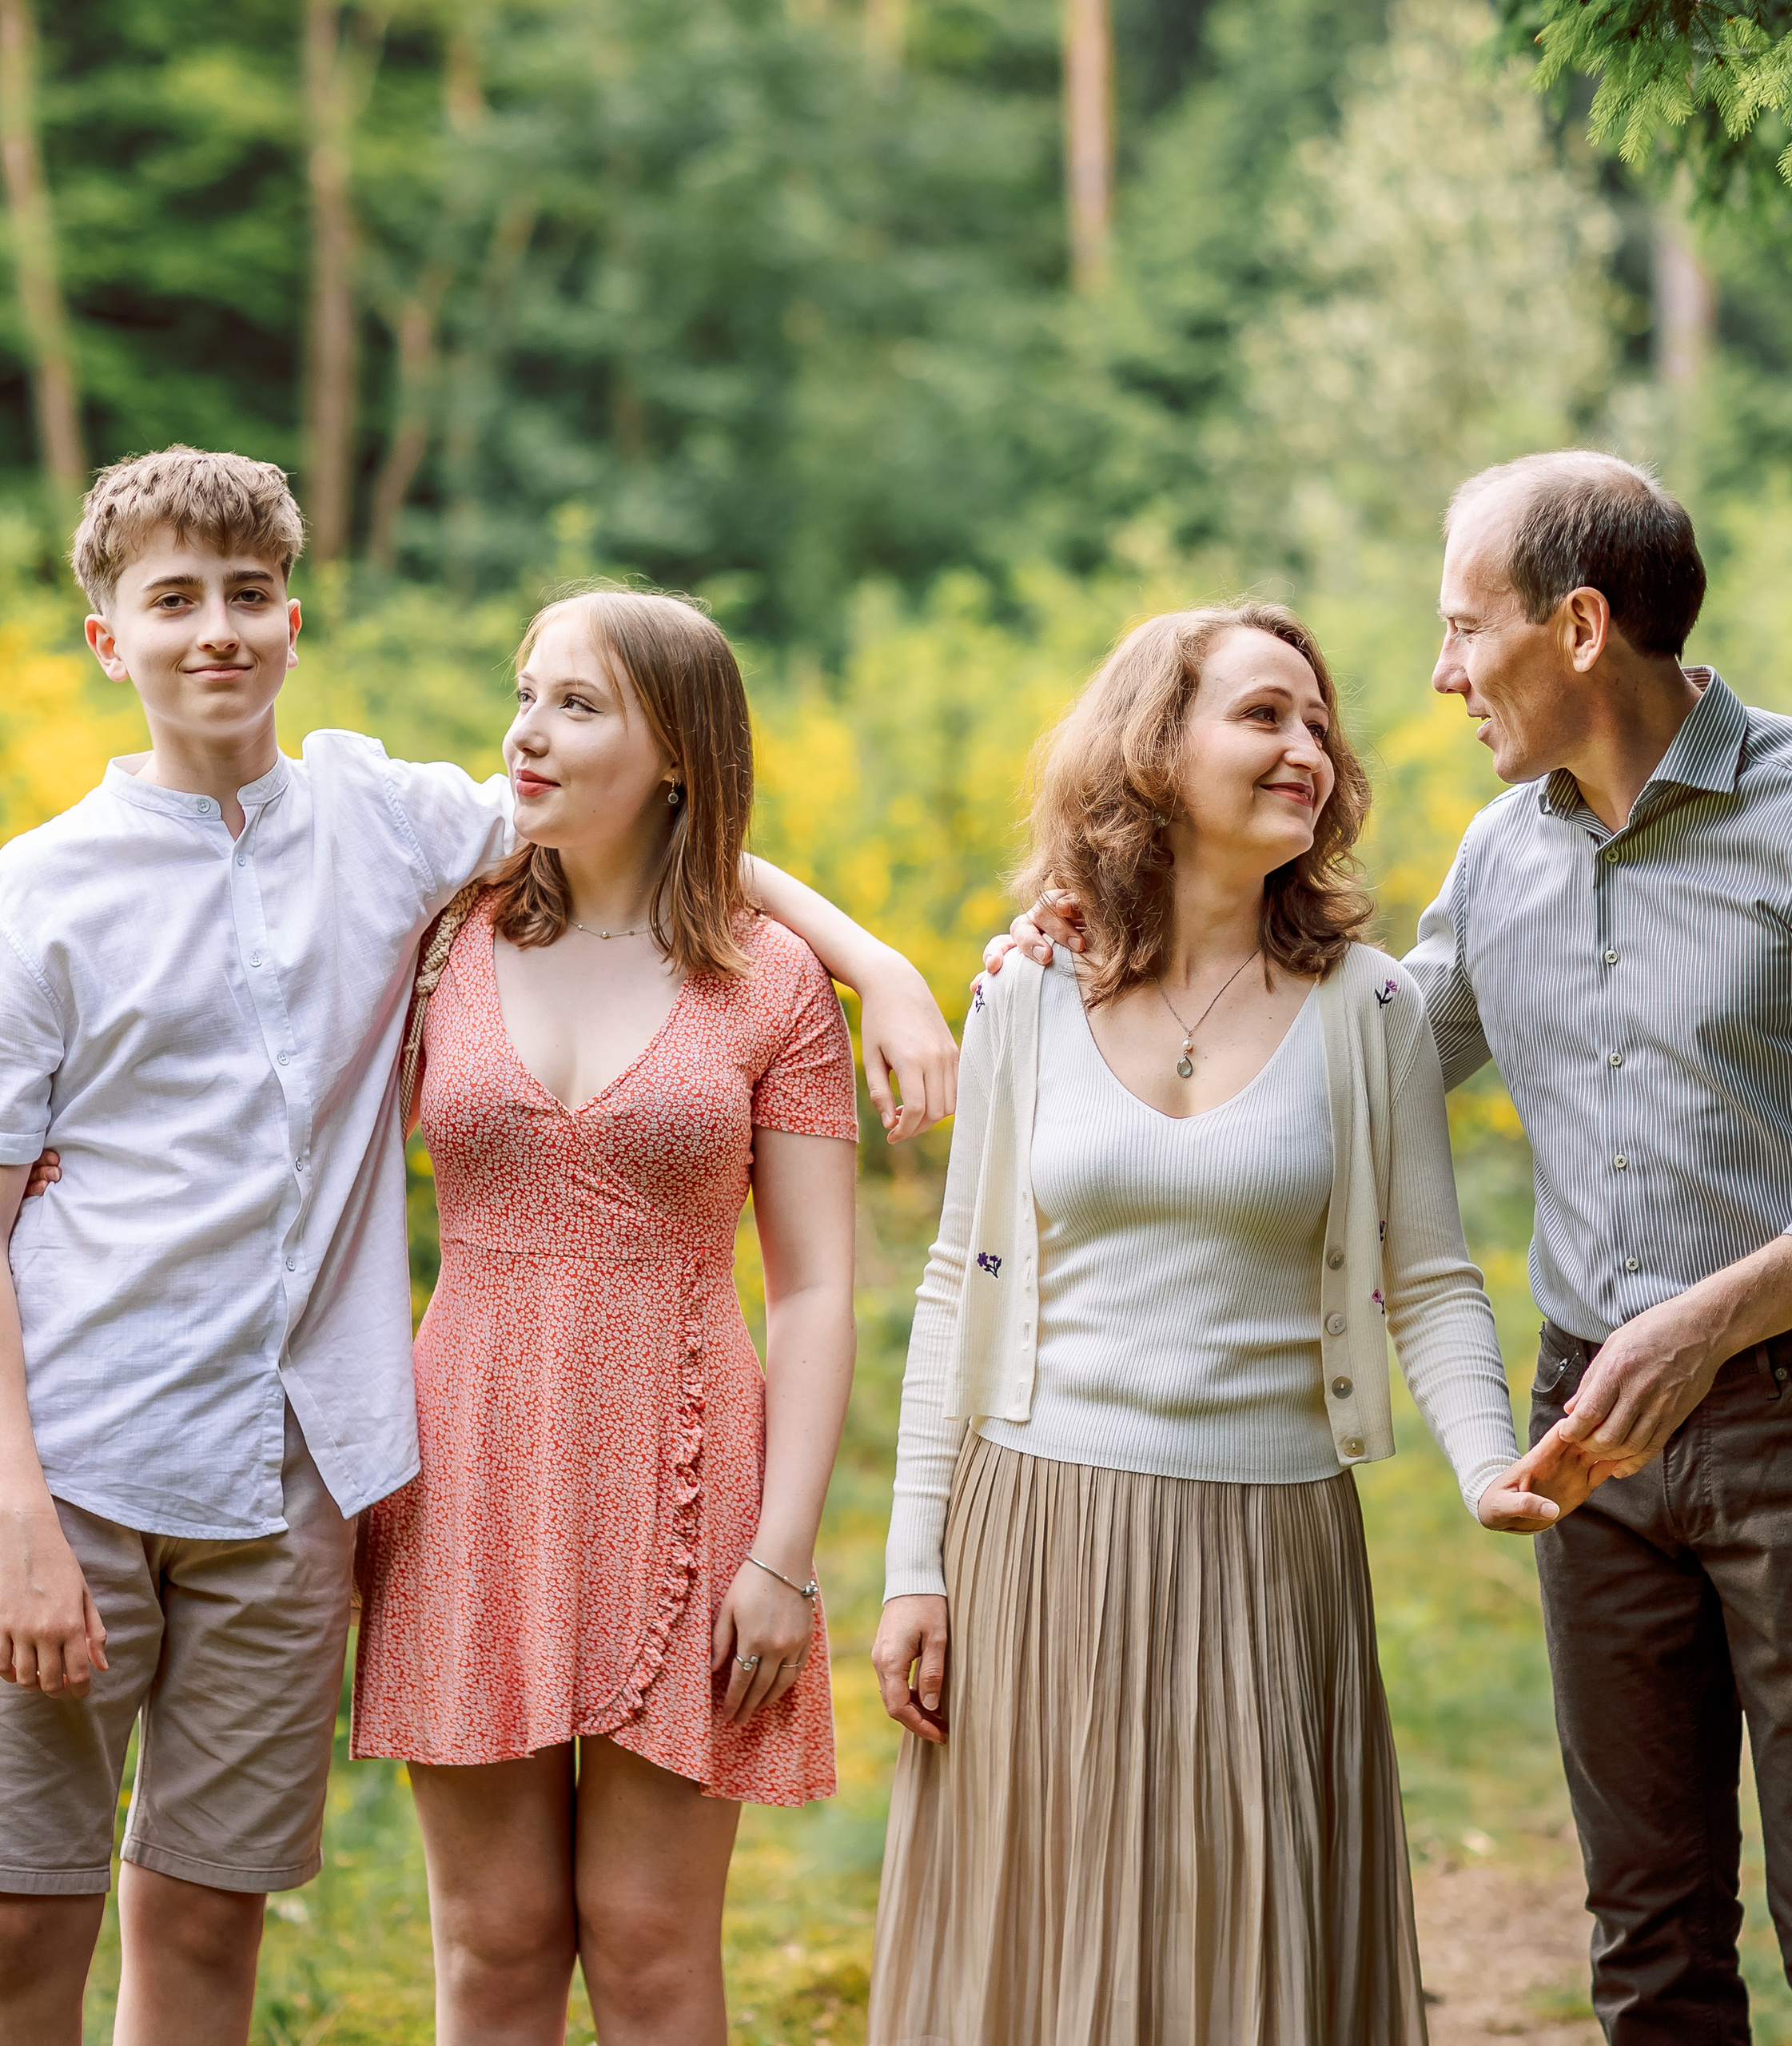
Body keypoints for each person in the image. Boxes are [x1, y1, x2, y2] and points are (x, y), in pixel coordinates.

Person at [997, 454, 1792, 2046]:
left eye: (1462, 626)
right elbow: (1343, 1068)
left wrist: (1709, 1320)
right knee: (1645, 1933)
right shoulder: (1496, 858)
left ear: (1582, 625)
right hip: (1588, 1441)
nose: (1438, 672)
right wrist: (1101, 965)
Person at [0, 447, 955, 2046]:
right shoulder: (117, 900)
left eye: (247, 596)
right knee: (93, 1925)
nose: (217, 631)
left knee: (280, 1923)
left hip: (470, 1468)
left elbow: (672, 856)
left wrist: (874, 959)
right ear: (111, 637)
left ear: (294, 618)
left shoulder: (426, 849)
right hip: (247, 1462)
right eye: (173, 600)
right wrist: (13, 1499)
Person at [872, 601, 1600, 2046]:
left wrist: (1484, 1467)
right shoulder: (1029, 991)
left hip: (1272, 1545)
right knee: (1049, 1954)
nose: (1306, 749)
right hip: (1038, 1536)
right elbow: (959, 1276)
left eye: (1318, 722)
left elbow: (1433, 1275)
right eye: (1264, 716)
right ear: (1154, 748)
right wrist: (913, 1565)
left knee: (1240, 1956)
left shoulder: (1373, 1006)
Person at [351, 588, 858, 2045]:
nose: (527, 731)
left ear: (680, 751)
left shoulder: (769, 982)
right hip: (467, 1460)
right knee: (495, 1945)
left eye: (579, 705)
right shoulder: (443, 935)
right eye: (526, 693)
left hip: (689, 1474)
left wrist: (786, 1553)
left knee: (646, 1942)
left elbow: (818, 1283)